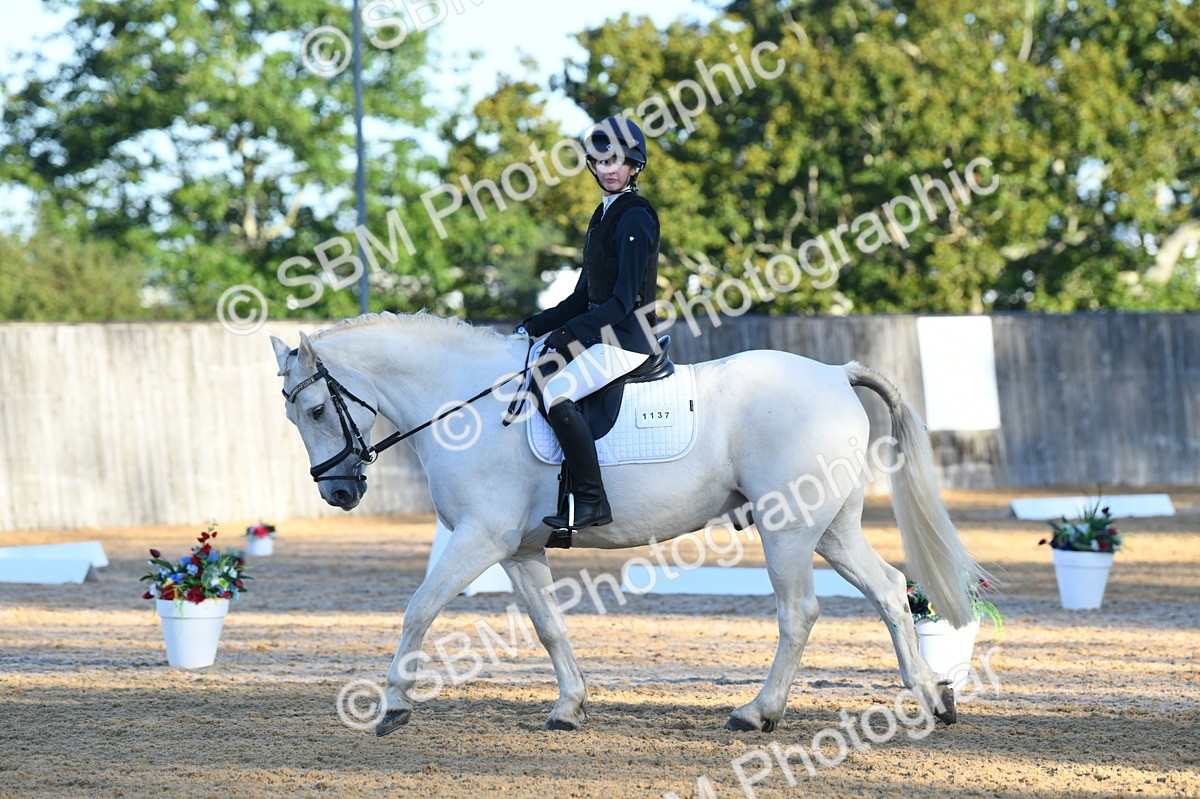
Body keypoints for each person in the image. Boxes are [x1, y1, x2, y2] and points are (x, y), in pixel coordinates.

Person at [517, 116, 661, 531]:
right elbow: (583, 298)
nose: (607, 169)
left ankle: (592, 500)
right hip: (602, 334)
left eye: (616, 161)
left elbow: (622, 301)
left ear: (634, 165)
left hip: (628, 340)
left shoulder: (635, 216)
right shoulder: (603, 215)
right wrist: (533, 326)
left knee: (554, 389)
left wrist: (567, 334)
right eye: (600, 162)